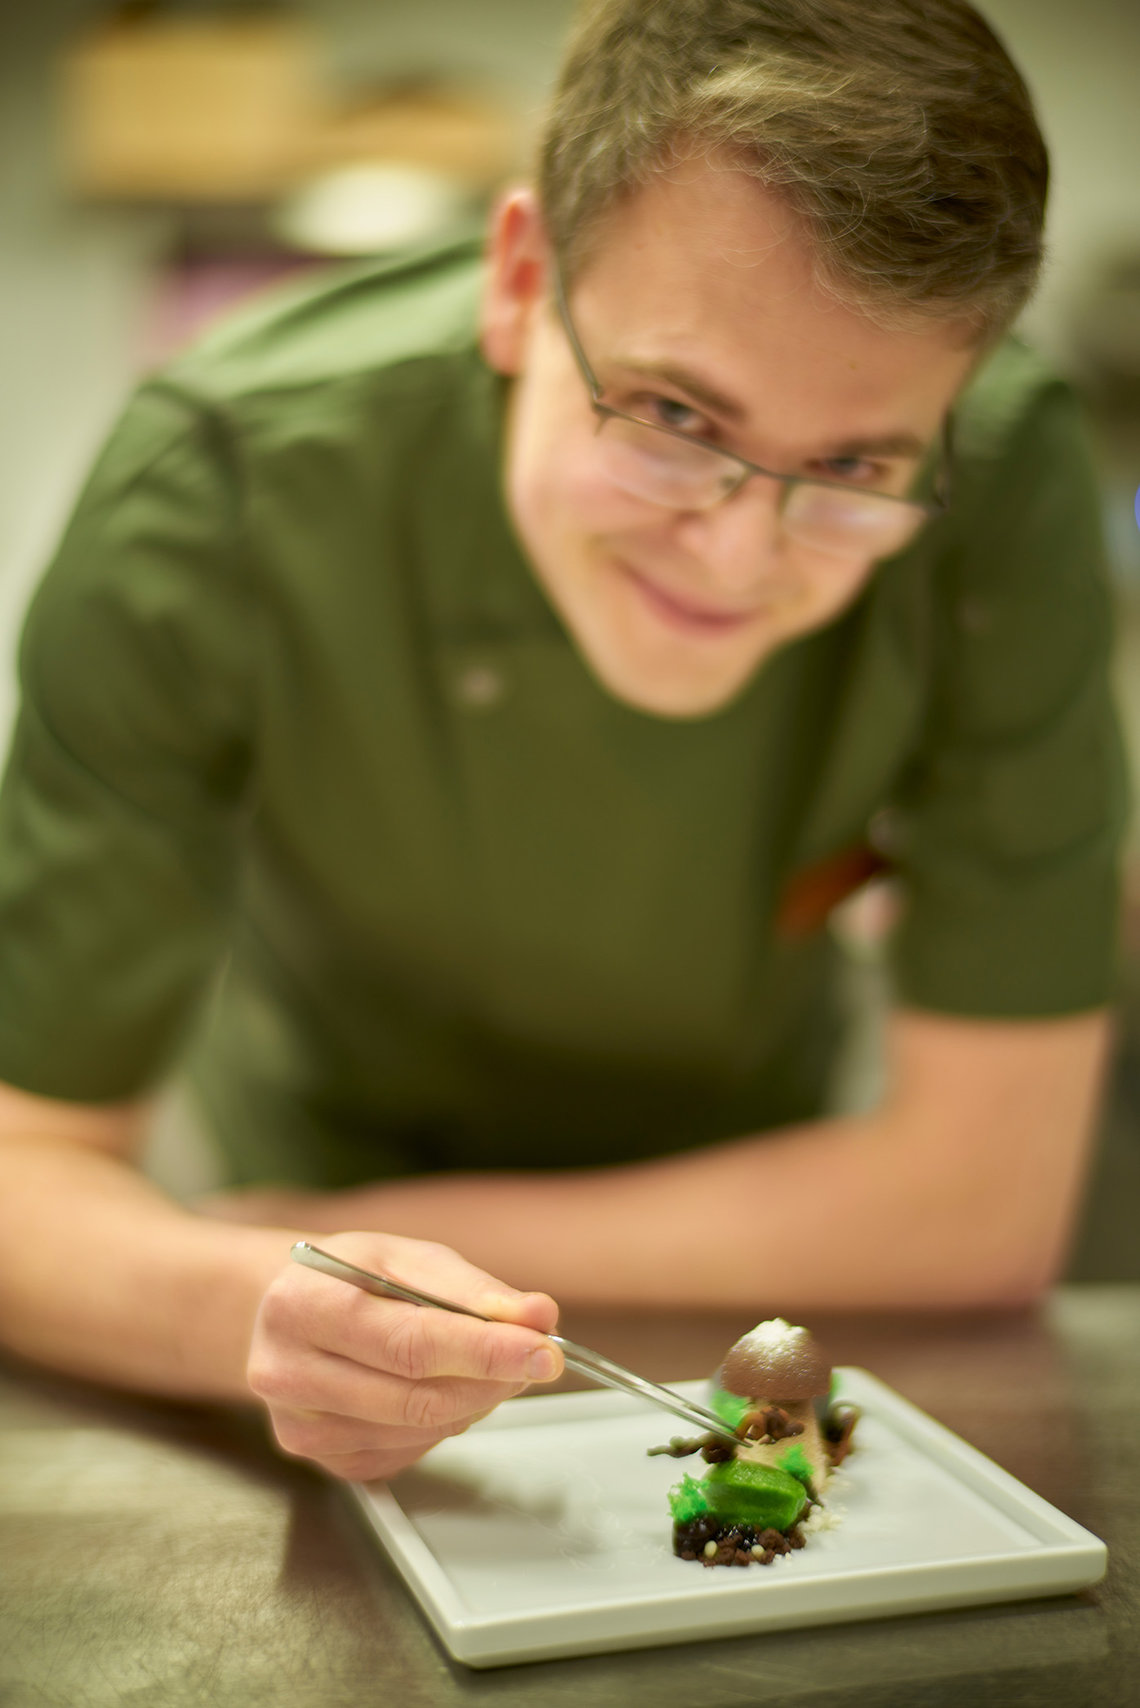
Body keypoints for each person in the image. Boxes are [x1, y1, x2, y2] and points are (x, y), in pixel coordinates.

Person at [0, 0, 1125, 1483]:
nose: (739, 558)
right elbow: (27, 1170)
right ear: (524, 281)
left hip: (763, 1279)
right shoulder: (218, 486)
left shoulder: (1013, 473)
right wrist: (255, 1300)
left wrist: (369, 1257)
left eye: (854, 468)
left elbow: (983, 1207)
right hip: (319, 1208)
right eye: (669, 415)